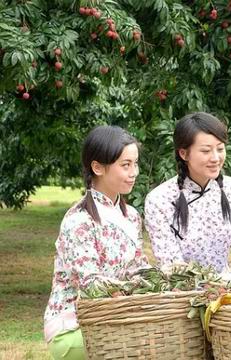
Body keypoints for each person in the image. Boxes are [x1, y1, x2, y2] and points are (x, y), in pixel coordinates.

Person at [44, 126, 149, 360]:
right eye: (126, 165)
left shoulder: (131, 216)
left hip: (116, 319)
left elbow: (140, 270)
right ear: (97, 167)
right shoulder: (79, 221)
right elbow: (90, 284)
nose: (134, 172)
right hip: (75, 326)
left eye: (136, 163)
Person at [144, 112, 231, 280]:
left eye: (220, 149)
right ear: (184, 154)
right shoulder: (159, 199)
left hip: (229, 293)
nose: (215, 158)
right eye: (206, 151)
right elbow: (172, 265)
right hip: (183, 296)